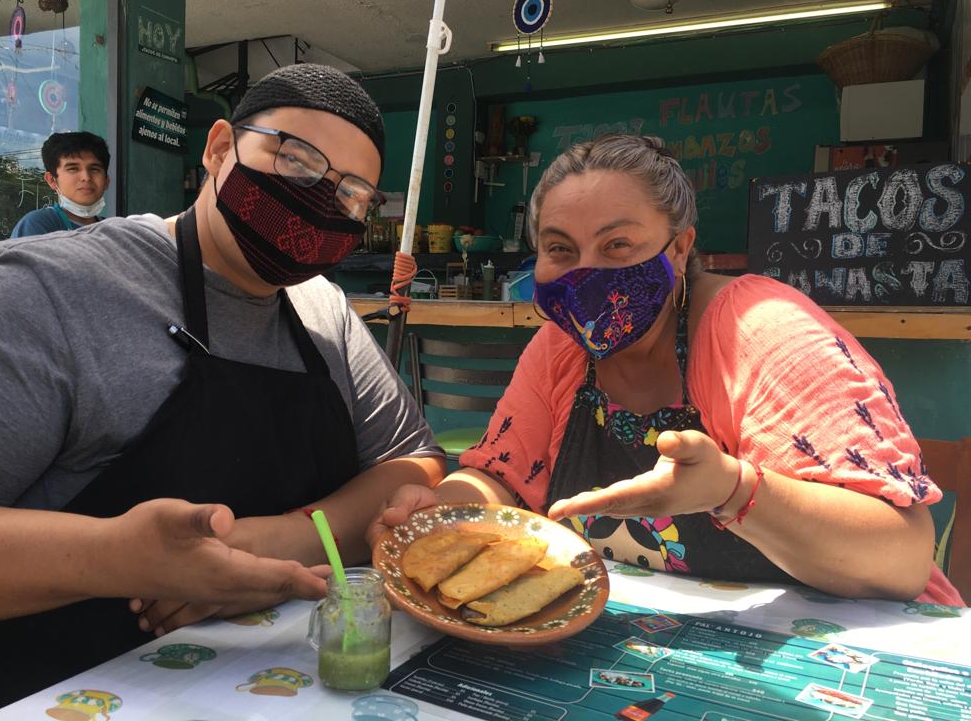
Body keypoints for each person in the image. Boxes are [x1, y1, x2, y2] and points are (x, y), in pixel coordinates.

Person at [0, 64, 445, 719]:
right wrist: (116, 559)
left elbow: (412, 464)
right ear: (219, 148)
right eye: (296, 161)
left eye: (351, 195)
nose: (320, 202)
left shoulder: (323, 311)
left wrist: (270, 544)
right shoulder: (49, 291)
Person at [369, 134, 963, 608]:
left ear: (679, 249)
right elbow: (499, 477)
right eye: (560, 249)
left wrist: (733, 490)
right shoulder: (561, 347)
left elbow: (902, 558)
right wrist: (442, 510)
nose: (585, 272)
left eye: (617, 245)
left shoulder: (763, 329)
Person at [10, 131, 111, 237]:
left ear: (107, 181)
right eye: (73, 169)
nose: (86, 177)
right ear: (52, 180)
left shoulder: (114, 230)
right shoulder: (37, 225)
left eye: (94, 169)